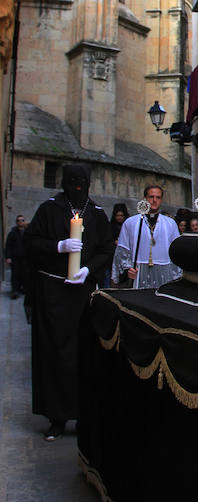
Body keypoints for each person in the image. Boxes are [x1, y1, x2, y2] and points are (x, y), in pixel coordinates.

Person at [25, 164, 114, 441]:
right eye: (73, 181)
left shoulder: (97, 213)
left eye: (82, 181)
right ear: (64, 182)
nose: (78, 186)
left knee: (83, 354)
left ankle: (83, 413)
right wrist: (58, 247)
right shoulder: (49, 209)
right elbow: (30, 242)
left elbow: (106, 248)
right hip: (53, 293)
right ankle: (56, 417)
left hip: (82, 293)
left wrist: (89, 269)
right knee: (55, 355)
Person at [111, 185, 182, 290]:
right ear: (145, 198)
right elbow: (123, 250)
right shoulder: (131, 222)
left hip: (164, 273)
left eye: (158, 197)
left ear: (161, 200)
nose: (154, 200)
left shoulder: (170, 223)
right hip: (138, 273)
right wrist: (127, 270)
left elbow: (176, 250)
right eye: (151, 197)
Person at [5, 214, 27, 299]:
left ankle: (23, 288)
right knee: (15, 274)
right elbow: (8, 246)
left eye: (22, 220)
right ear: (16, 222)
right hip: (15, 258)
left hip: (25, 258)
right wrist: (8, 257)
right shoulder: (12, 233)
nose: (20, 222)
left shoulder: (27, 232)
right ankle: (15, 291)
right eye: (18, 220)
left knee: (24, 274)